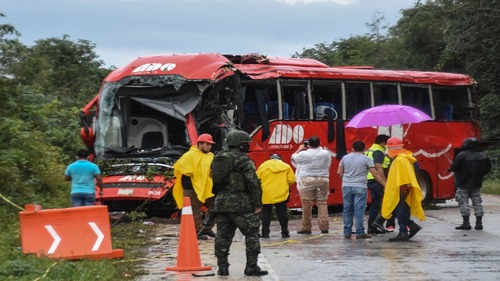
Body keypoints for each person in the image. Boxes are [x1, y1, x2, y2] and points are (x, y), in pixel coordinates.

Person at [211, 130, 268, 276]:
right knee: (252, 233)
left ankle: (222, 267)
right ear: (240, 144)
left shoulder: (218, 158)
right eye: (246, 144)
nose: (247, 146)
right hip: (241, 203)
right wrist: (257, 202)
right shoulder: (243, 160)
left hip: (221, 203)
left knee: (222, 236)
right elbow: (252, 182)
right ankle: (251, 267)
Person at [372, 137, 426, 242]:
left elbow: (403, 175)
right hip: (403, 188)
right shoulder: (406, 157)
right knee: (400, 209)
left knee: (400, 210)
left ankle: (404, 232)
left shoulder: (400, 159)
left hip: (401, 189)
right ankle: (409, 227)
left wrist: (404, 186)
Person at [337, 140, 386, 239]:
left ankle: (347, 232)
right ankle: (360, 232)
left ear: (352, 148)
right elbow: (375, 174)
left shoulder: (345, 158)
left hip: (346, 186)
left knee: (347, 209)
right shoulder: (366, 159)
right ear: (364, 149)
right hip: (360, 186)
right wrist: (384, 184)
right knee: (359, 210)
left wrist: (346, 180)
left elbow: (339, 172)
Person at [172, 133, 216, 240]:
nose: (209, 146)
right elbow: (181, 170)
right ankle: (197, 231)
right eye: (207, 144)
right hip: (191, 189)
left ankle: (207, 228)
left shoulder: (211, 156)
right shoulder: (189, 156)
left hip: (207, 188)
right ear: (200, 144)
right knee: (195, 211)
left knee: (215, 206)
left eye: (210, 145)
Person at [291, 136, 331, 234]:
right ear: (319, 143)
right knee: (322, 203)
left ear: (308, 144)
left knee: (307, 205)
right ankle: (324, 227)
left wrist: (300, 149)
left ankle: (306, 227)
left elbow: (294, 158)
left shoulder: (304, 154)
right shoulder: (326, 153)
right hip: (323, 179)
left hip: (306, 180)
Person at [449, 137, 491, 230]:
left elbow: (454, 167)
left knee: (463, 202)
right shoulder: (483, 155)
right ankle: (479, 223)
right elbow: (487, 168)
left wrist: (450, 169)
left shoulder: (461, 155)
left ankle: (466, 223)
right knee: (477, 202)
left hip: (463, 183)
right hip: (477, 183)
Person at [256, 154, 296, 238]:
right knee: (282, 213)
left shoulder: (263, 166)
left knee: (266, 212)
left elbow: (257, 178)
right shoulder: (286, 166)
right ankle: (285, 232)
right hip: (281, 192)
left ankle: (265, 233)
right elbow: (292, 180)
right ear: (280, 159)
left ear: (270, 159)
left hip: (267, 193)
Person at [365, 134, 393, 234]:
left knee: (375, 204)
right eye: (386, 143)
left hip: (370, 180)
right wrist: (384, 182)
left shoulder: (370, 149)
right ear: (382, 143)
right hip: (376, 180)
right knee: (390, 202)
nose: (387, 146)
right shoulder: (378, 151)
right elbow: (378, 167)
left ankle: (372, 228)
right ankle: (379, 223)